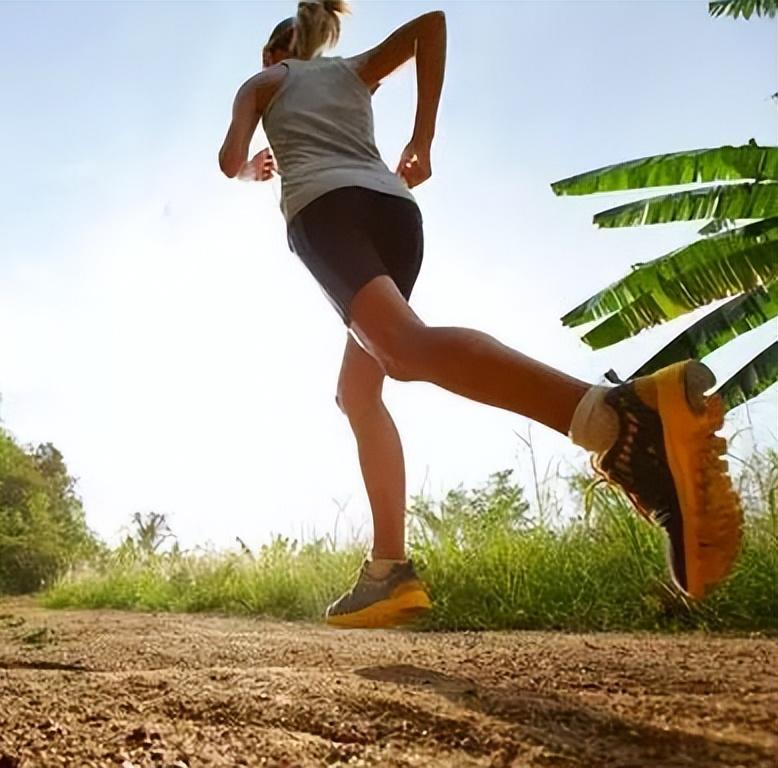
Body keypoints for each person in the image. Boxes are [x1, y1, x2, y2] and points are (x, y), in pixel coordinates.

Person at [219, 0, 741, 628]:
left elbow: (229, 160)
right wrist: (422, 139)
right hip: (394, 212)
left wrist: (253, 170)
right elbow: (430, 26)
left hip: (324, 212)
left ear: (274, 53)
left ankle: (616, 422)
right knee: (358, 391)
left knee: (403, 351)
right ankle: (388, 571)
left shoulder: (263, 83)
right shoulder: (352, 70)